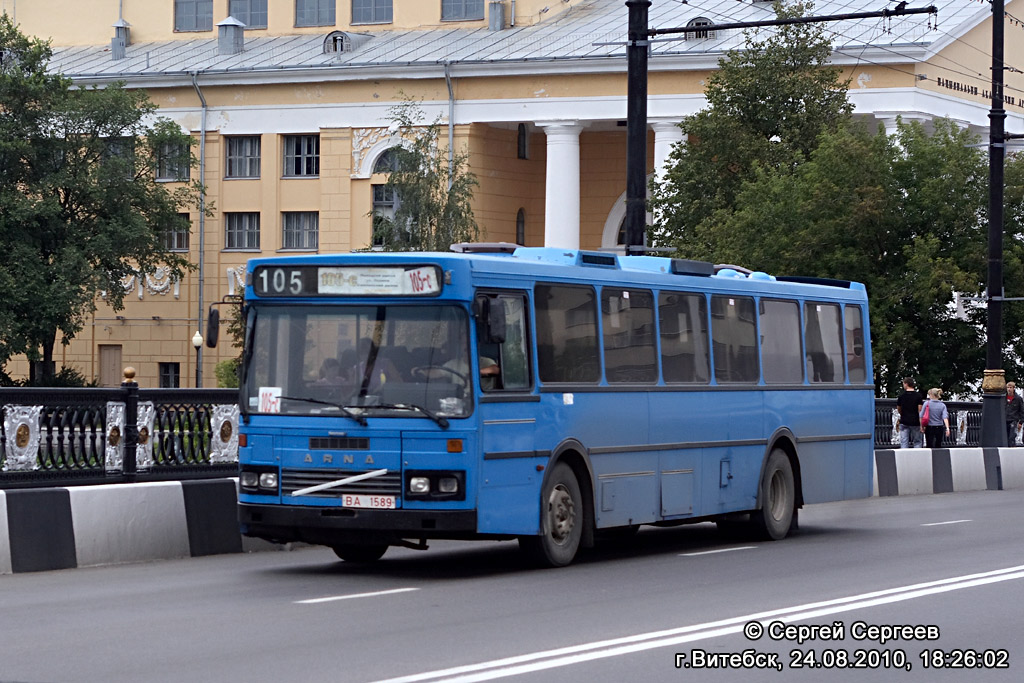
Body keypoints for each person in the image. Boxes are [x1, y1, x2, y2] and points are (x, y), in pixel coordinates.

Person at [895, 377, 924, 448]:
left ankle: (904, 457)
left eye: (903, 384)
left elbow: (899, 409)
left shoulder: (901, 396)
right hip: (915, 421)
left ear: (906, 384)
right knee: (917, 441)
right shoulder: (918, 396)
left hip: (904, 420)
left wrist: (903, 414)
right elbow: (920, 410)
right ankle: (917, 457)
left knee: (904, 441)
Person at [1007, 381, 1024, 446]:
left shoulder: (1018, 399)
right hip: (1005, 419)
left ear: (1013, 388)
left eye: (1010, 387)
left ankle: (1012, 447)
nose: (1009, 389)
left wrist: (1021, 422)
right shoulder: (1003, 398)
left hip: (1013, 419)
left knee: (1012, 436)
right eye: (1008, 387)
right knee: (1005, 436)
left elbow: (1022, 410)